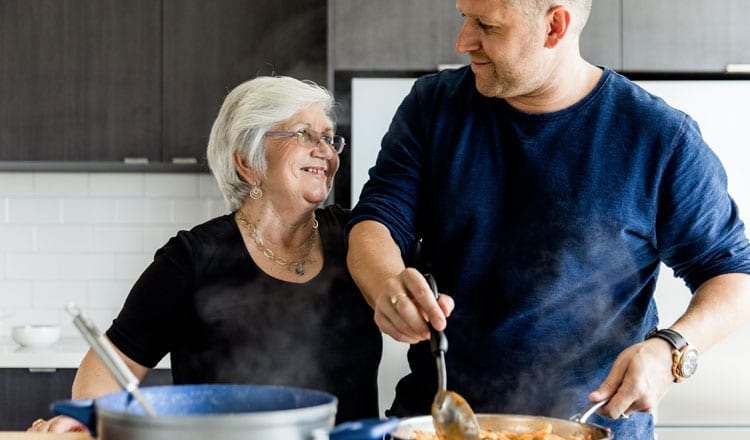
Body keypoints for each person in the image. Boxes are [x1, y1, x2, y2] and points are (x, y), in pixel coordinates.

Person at [346, 0, 750, 438]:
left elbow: (733, 274)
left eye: (486, 24)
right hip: (437, 425)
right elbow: (376, 220)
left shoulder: (660, 138)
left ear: (554, 26)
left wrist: (671, 349)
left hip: (589, 427)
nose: (462, 41)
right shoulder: (432, 107)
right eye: (464, 17)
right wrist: (386, 284)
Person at [29, 76, 382, 433]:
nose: (325, 149)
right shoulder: (193, 259)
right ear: (248, 161)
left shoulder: (359, 238)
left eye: (328, 137)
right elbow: (106, 367)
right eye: (303, 134)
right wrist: (82, 420)